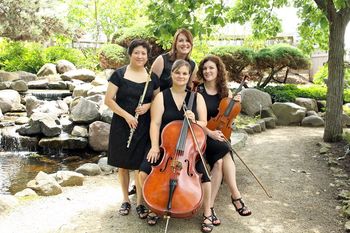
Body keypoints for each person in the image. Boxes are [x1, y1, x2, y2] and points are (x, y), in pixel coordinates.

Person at [139, 59, 214, 233]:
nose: (181, 76)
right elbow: (155, 124)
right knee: (144, 170)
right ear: (171, 74)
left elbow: (204, 122)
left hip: (191, 148)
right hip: (167, 147)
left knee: (204, 176)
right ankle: (155, 207)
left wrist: (194, 120)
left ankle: (207, 212)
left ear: (189, 77)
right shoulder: (161, 96)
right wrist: (155, 147)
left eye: (184, 73)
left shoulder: (197, 97)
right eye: (177, 72)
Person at [104, 39, 159, 219]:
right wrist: (126, 115)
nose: (140, 56)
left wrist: (148, 106)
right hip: (122, 124)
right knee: (123, 164)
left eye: (143, 53)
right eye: (136, 52)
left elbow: (158, 101)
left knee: (138, 165)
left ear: (147, 56)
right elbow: (109, 100)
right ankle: (126, 200)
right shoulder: (119, 75)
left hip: (143, 126)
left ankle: (140, 203)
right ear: (130, 54)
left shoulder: (152, 78)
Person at [196, 55, 252, 226]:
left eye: (211, 68)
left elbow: (229, 119)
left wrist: (235, 105)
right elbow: (196, 121)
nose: (208, 71)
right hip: (203, 134)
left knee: (220, 160)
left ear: (218, 70)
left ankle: (211, 207)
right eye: (205, 68)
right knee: (223, 154)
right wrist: (210, 133)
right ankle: (235, 196)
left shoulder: (225, 91)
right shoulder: (197, 91)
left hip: (220, 134)